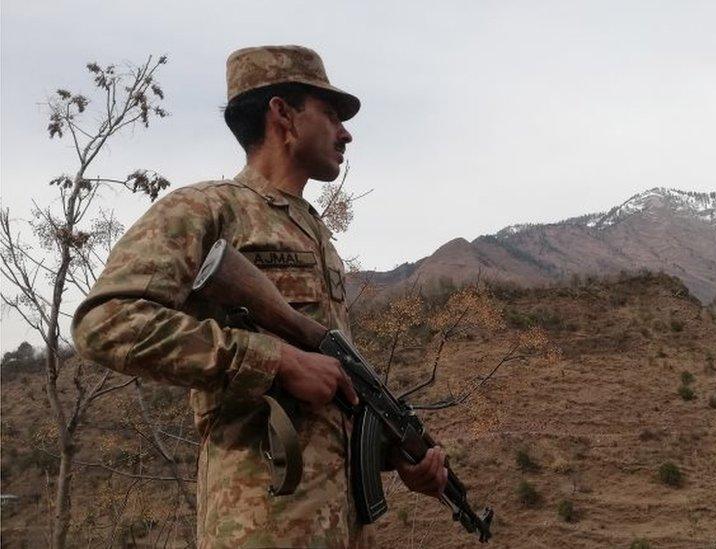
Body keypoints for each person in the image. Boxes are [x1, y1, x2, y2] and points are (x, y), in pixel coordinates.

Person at [72, 45, 447, 548]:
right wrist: (272, 361)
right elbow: (105, 323)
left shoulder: (316, 234)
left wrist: (395, 455)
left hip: (341, 527)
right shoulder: (206, 208)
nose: (346, 132)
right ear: (282, 114)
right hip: (258, 524)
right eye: (331, 115)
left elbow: (327, 394)